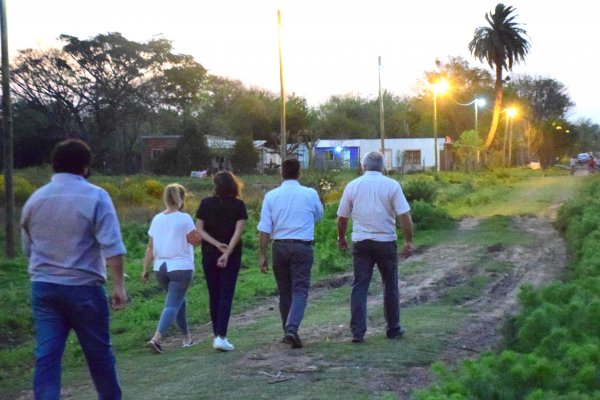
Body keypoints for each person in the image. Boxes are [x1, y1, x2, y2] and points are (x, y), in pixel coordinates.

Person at [21, 139, 127, 400]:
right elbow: (112, 245)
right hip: (83, 288)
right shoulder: (96, 196)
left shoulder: (35, 199)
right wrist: (118, 286)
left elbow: (28, 248)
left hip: (44, 287)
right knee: (99, 355)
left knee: (47, 355)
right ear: (86, 167)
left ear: (53, 165)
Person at [336, 151, 414, 343]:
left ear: (363, 166)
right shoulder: (392, 185)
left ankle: (358, 332)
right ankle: (393, 328)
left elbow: (342, 217)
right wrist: (408, 241)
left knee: (360, 286)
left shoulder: (352, 186)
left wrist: (341, 237)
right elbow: (404, 216)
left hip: (361, 242)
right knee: (390, 285)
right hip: (386, 242)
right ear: (382, 166)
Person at [258, 159, 324, 348]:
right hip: (302, 246)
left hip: (279, 246)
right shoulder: (310, 193)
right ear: (299, 173)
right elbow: (319, 215)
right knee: (300, 289)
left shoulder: (271, 196)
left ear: (281, 173)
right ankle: (292, 328)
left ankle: (286, 329)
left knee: (284, 291)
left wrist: (262, 254)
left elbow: (264, 229)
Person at [142, 183, 200, 354]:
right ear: (181, 198)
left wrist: (145, 269)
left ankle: (186, 337)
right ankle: (157, 338)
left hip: (160, 268)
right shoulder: (184, 218)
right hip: (181, 267)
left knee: (178, 300)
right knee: (172, 304)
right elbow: (195, 241)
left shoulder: (157, 219)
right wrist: (204, 233)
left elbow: (150, 247)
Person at [195, 171, 248, 351]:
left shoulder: (205, 204)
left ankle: (216, 334)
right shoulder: (239, 205)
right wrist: (227, 251)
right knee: (226, 293)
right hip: (231, 255)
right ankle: (221, 335)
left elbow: (199, 230)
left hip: (209, 253)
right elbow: (238, 231)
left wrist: (216, 245)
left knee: (214, 293)